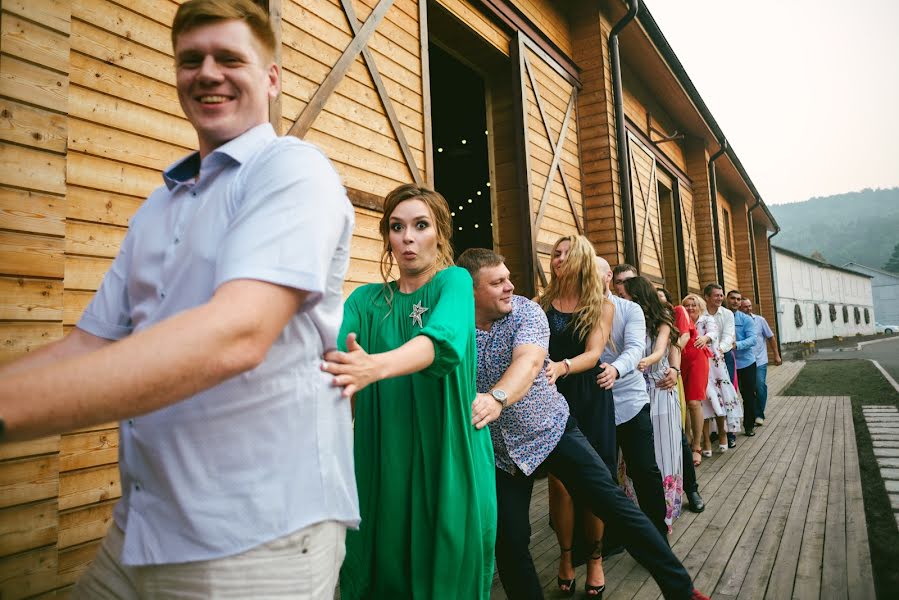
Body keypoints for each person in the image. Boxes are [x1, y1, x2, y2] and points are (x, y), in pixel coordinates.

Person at [0, 1, 359, 596]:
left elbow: (238, 334)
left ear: (271, 79)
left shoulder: (292, 169)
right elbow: (86, 345)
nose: (207, 72)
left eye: (229, 58)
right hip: (141, 526)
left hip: (253, 543)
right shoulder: (156, 208)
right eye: (190, 60)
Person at [457, 248, 709, 600]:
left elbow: (529, 363)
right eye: (498, 282)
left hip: (553, 430)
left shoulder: (528, 312)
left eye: (509, 278)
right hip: (502, 452)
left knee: (613, 505)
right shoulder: (457, 324)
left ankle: (681, 591)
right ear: (470, 291)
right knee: (509, 540)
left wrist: (496, 397)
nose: (510, 287)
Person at [322, 185, 496, 599]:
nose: (408, 237)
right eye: (397, 227)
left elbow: (442, 341)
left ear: (440, 234)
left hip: (448, 450)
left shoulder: (453, 283)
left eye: (421, 225)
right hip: (385, 457)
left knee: (449, 568)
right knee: (383, 566)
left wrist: (374, 367)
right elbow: (327, 348)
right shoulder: (367, 300)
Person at [538, 235, 615, 595]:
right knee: (560, 485)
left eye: (568, 254)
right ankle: (566, 557)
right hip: (553, 398)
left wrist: (561, 366)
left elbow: (594, 352)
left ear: (584, 259)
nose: (560, 259)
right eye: (556, 253)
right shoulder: (541, 303)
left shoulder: (600, 304)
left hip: (589, 395)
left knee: (596, 480)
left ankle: (596, 559)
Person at [601, 262, 668, 538]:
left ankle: (656, 532)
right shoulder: (574, 310)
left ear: (607, 278)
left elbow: (635, 349)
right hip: (595, 405)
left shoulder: (630, 309)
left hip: (630, 400)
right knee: (604, 474)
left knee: (643, 468)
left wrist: (616, 369)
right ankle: (612, 536)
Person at [621, 277, 684, 532]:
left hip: (659, 388)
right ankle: (636, 511)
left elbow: (661, 351)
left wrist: (644, 361)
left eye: (625, 295)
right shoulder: (626, 320)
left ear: (638, 297)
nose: (621, 300)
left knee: (664, 450)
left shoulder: (663, 321)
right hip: (634, 391)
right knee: (637, 457)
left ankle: (664, 514)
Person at [657, 287, 704, 513]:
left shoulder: (675, 312)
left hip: (674, 370)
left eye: (661, 297)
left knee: (678, 434)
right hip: (643, 386)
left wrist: (672, 365)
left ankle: (691, 489)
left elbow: (682, 337)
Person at [703, 283, 739, 448]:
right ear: (707, 297)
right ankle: (714, 432)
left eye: (721, 295)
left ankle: (729, 433)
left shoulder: (727, 314)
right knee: (708, 395)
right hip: (704, 358)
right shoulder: (701, 313)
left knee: (726, 393)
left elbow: (728, 336)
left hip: (722, 356)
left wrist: (718, 351)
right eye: (716, 295)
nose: (720, 298)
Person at [739, 298, 782, 426]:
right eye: (745, 307)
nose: (749, 309)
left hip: (759, 360)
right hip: (744, 362)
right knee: (747, 390)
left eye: (750, 306)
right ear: (740, 308)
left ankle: (759, 414)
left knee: (760, 386)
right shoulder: (736, 320)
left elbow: (770, 337)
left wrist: (776, 355)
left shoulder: (760, 320)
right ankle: (751, 414)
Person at [727, 290, 758, 436]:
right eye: (732, 298)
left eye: (738, 299)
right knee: (727, 396)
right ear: (728, 299)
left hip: (746, 363)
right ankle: (726, 429)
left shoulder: (746, 320)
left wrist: (737, 345)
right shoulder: (722, 317)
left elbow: (753, 339)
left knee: (748, 395)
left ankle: (749, 425)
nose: (735, 301)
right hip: (726, 363)